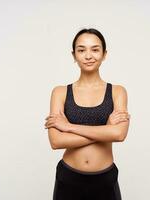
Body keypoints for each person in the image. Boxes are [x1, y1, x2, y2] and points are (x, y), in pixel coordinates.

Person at [44, 28, 130, 200]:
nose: (88, 55)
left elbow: (119, 134)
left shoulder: (117, 92)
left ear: (104, 54)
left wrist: (68, 127)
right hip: (68, 178)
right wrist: (106, 130)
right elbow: (56, 141)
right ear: (74, 55)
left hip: (105, 179)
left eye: (95, 49)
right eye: (81, 50)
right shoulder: (60, 92)